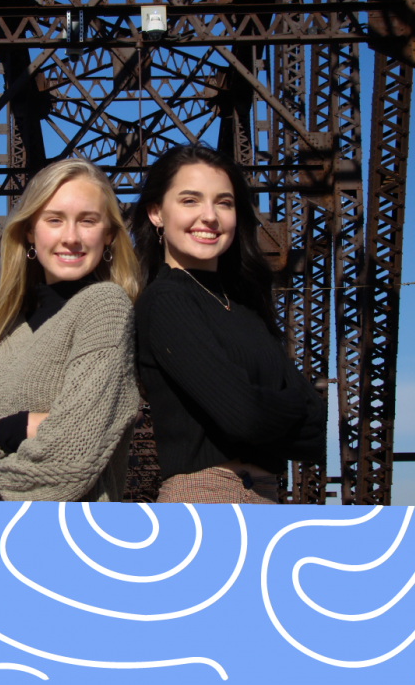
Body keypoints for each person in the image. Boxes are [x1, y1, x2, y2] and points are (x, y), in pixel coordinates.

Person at [0, 159, 142, 501]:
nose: (70, 237)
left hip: (67, 544)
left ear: (109, 234)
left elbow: (67, 464)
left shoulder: (105, 306)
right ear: (30, 231)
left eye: (87, 221)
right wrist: (18, 427)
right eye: (54, 220)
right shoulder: (7, 330)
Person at [131, 143, 326, 504]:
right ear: (157, 213)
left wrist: (276, 410)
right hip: (205, 499)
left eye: (224, 202)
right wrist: (291, 408)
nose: (210, 216)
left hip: (268, 499)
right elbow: (245, 418)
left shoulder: (244, 310)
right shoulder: (166, 301)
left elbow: (317, 431)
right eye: (190, 201)